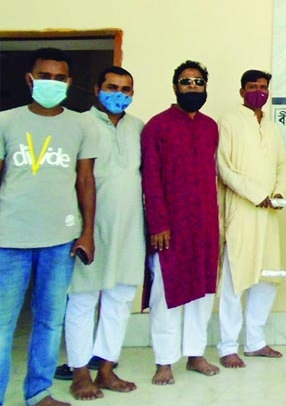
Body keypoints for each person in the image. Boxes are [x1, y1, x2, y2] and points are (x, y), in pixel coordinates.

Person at [0, 47, 96, 406]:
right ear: (30, 79)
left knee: (49, 321)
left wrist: (87, 232)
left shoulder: (80, 124)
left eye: (59, 78)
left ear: (69, 82)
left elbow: (85, 181)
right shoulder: (6, 121)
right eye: (44, 76)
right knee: (2, 326)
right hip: (9, 238)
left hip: (60, 239)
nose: (51, 83)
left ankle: (38, 392)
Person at [64, 66, 145, 400]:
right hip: (90, 228)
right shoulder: (77, 124)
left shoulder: (139, 128)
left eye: (126, 89)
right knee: (82, 299)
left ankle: (107, 368)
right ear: (97, 88)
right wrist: (82, 229)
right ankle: (80, 372)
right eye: (113, 87)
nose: (120, 94)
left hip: (131, 228)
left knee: (121, 298)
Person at [142, 60, 220, 385]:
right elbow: (150, 179)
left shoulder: (209, 126)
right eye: (186, 81)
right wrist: (159, 223)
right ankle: (164, 361)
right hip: (169, 228)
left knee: (202, 293)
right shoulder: (157, 126)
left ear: (205, 88)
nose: (192, 87)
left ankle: (195, 353)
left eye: (198, 82)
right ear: (175, 86)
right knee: (167, 292)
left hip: (204, 225)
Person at [217, 70, 286, 368]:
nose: (259, 92)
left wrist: (279, 193)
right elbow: (224, 167)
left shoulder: (271, 128)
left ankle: (256, 342)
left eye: (263, 87)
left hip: (269, 213)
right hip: (242, 211)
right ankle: (227, 346)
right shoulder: (229, 121)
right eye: (252, 87)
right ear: (241, 91)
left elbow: (283, 166)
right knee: (237, 280)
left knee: (268, 279)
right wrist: (255, 193)